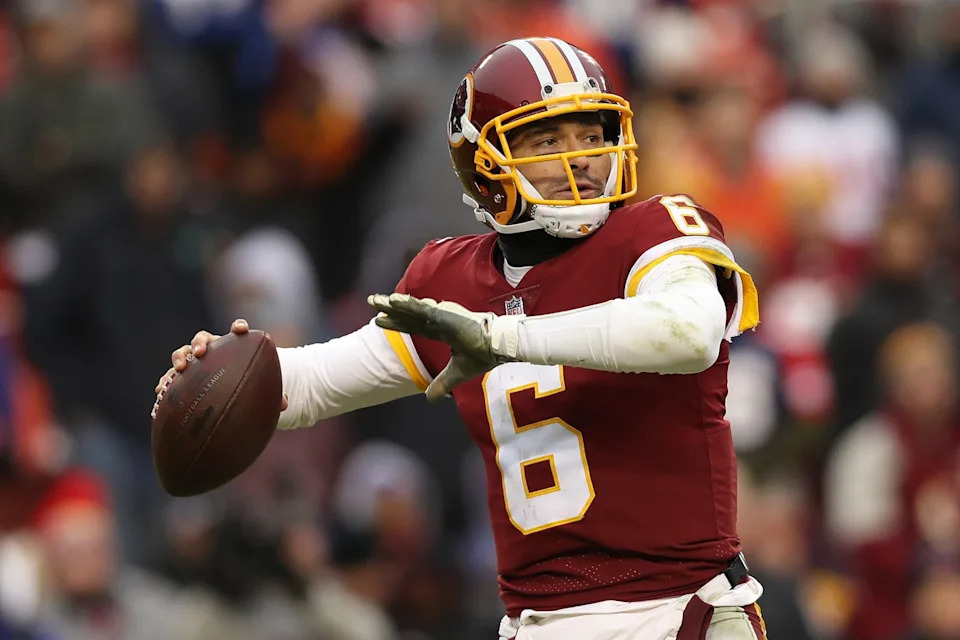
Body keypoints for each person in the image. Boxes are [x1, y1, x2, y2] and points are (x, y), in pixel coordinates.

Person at [157, 38, 765, 639]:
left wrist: (501, 336)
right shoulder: (452, 280)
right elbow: (310, 384)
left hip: (680, 608)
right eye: (548, 140)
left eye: (591, 135)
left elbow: (689, 332)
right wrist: (216, 372)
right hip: (540, 622)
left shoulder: (654, 233)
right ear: (485, 164)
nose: (580, 157)